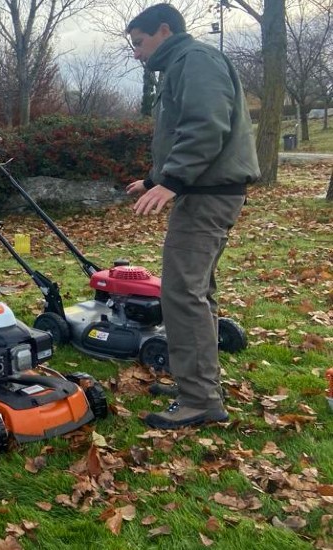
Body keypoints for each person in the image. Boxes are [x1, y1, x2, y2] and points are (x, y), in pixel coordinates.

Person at [125, 4, 259, 429]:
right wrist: (153, 180)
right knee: (197, 291)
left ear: (164, 30)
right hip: (201, 190)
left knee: (182, 292)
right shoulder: (181, 65)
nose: (137, 53)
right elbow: (179, 135)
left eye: (140, 43)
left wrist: (173, 181)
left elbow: (205, 126)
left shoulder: (195, 60)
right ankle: (197, 384)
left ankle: (200, 399)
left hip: (205, 194)